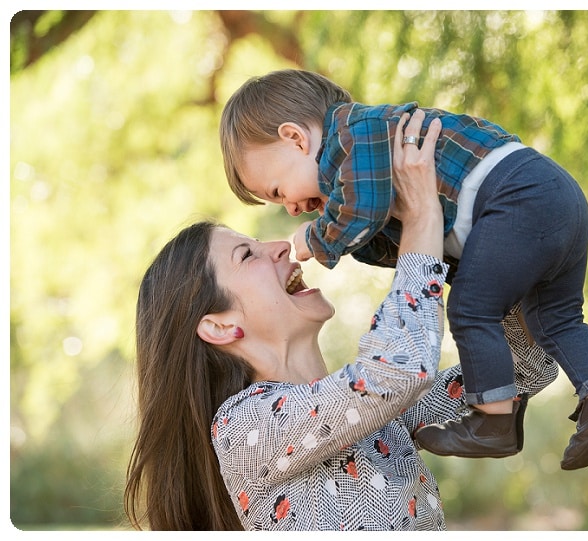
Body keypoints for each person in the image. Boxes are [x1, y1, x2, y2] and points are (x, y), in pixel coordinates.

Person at [123, 111, 556, 530]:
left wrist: (497, 234)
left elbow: (527, 365)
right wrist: (422, 213)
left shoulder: (370, 415)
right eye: (247, 255)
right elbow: (396, 371)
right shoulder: (242, 429)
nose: (277, 246)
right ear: (219, 326)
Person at [218, 69, 588, 468]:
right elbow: (399, 245)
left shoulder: (353, 136)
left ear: (295, 139)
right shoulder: (369, 157)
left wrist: (315, 239)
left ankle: (495, 422)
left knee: (471, 309)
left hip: (515, 197)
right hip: (555, 197)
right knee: (556, 318)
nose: (292, 208)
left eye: (278, 192)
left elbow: (360, 212)